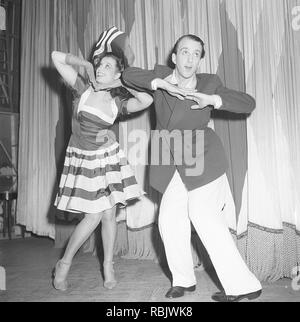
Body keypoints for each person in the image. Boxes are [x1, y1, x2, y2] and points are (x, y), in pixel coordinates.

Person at [122, 34, 262, 302]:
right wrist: (160, 83)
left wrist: (213, 100)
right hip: (169, 156)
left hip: (201, 155)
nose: (189, 58)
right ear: (174, 57)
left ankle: (244, 286)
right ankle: (184, 281)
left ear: (199, 61)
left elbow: (248, 103)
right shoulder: (160, 77)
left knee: (203, 215)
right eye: (184, 52)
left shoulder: (210, 83)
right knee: (168, 219)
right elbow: (128, 74)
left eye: (195, 53)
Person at [51, 29, 153, 291]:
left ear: (117, 74)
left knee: (109, 213)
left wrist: (120, 84)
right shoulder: (81, 88)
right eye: (100, 64)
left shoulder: (117, 103)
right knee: (94, 216)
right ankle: (64, 262)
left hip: (106, 159)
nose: (100, 68)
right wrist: (84, 63)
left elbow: (146, 99)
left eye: (108, 66)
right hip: (83, 159)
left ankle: (108, 265)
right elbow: (55, 56)